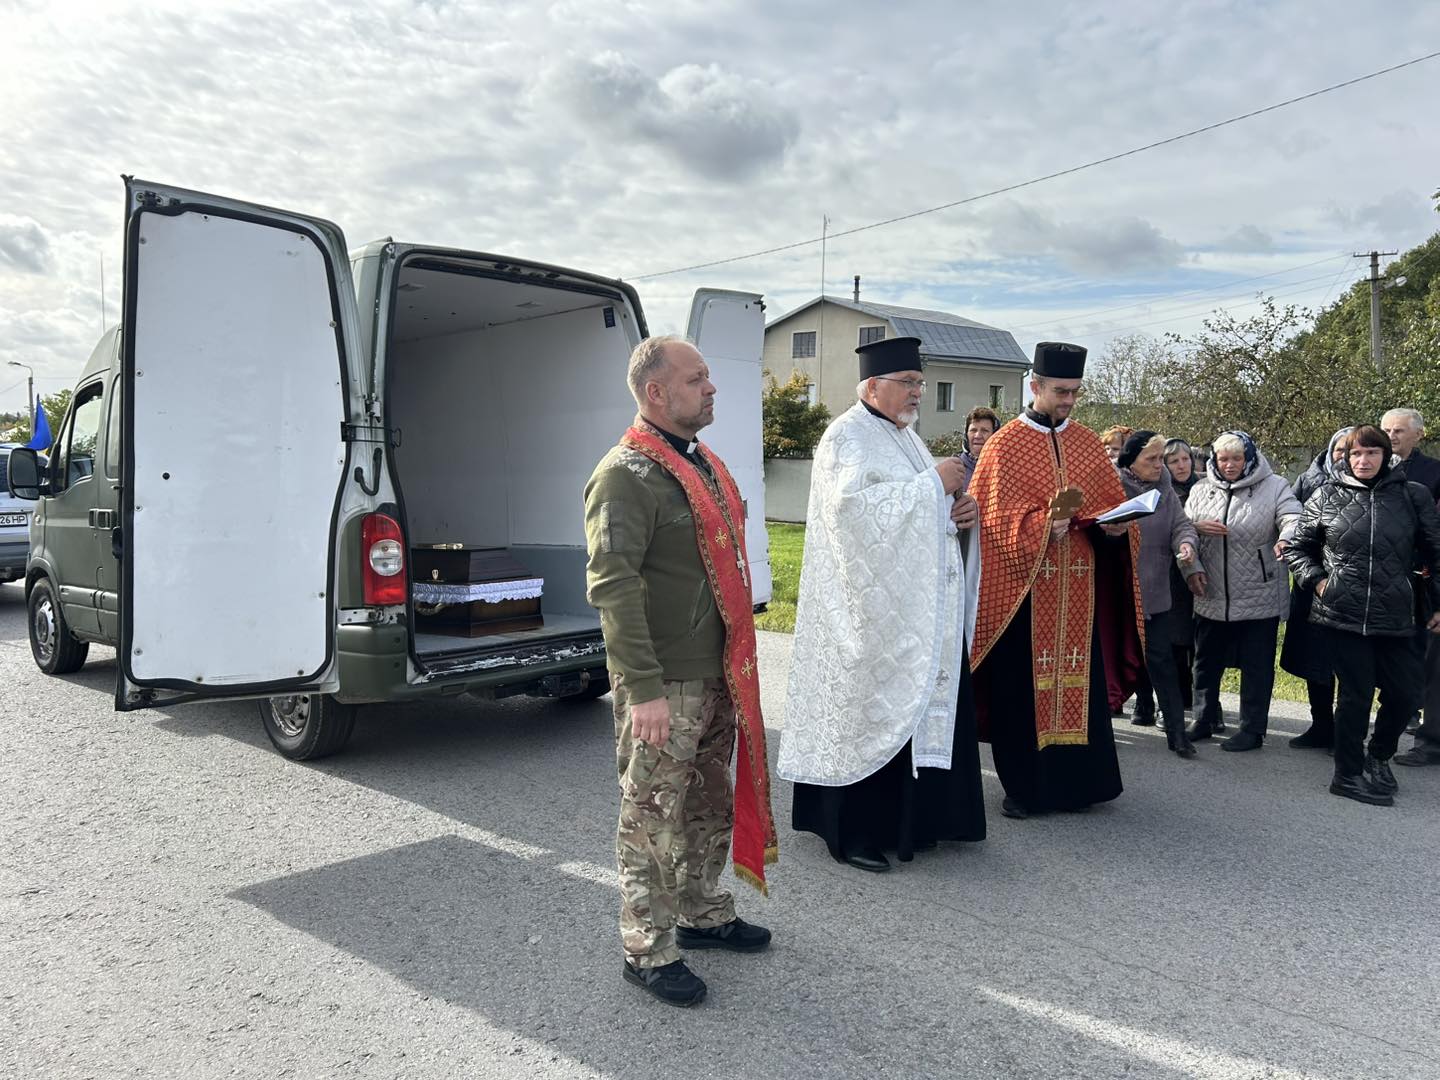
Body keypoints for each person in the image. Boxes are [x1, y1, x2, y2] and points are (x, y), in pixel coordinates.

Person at [583, 335, 776, 1007]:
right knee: (651, 814)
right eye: (697, 379)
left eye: (710, 376)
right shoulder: (625, 474)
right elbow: (613, 585)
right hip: (667, 682)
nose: (712, 388)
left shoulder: (701, 463)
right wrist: (641, 690)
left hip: (719, 674)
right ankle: (646, 947)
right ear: (655, 393)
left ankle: (701, 913)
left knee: (705, 802)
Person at [779, 336, 986, 872]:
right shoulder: (845, 435)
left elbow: (918, 509)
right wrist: (929, 489)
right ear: (873, 386)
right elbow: (850, 516)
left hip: (913, 610)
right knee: (866, 713)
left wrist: (952, 510)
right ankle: (852, 833)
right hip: (865, 612)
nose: (919, 392)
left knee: (913, 710)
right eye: (910, 384)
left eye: (920, 383)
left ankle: (914, 821)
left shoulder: (907, 437)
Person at [969, 343, 1145, 819]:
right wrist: (1039, 527)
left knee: (1078, 683)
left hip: (1079, 587)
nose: (1068, 400)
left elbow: (1111, 508)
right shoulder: (1004, 445)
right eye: (1060, 391)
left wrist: (1114, 527)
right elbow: (989, 519)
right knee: (1019, 692)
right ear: (1036, 387)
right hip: (1022, 593)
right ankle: (1025, 789)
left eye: (1075, 392)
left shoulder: (1088, 442)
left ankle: (1080, 784)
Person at [1285, 425, 1440, 805]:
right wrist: (1320, 582)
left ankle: (1379, 756)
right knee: (1354, 697)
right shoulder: (1326, 495)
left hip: (1397, 614)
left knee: (1404, 695)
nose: (1362, 460)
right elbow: (1296, 548)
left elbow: (1436, 553)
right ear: (1344, 457)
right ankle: (1347, 774)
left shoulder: (1412, 495)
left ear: (1386, 456)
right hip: (1341, 614)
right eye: (1355, 454)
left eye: (1371, 453)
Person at [1184, 431, 1302, 751]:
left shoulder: (1275, 485)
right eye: (1224, 459)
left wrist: (1286, 538)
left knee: (1257, 665)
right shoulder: (1201, 488)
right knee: (1206, 663)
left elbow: (1293, 516)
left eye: (1237, 458)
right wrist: (1191, 565)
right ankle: (1204, 719)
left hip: (1258, 591)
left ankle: (1252, 730)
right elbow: (1184, 530)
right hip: (1210, 591)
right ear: (1214, 460)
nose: (1230, 465)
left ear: (1249, 457)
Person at [1117, 431, 1205, 757]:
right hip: (1118, 593)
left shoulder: (1164, 489)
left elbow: (1180, 525)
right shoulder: (1114, 486)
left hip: (1154, 592)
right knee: (1108, 661)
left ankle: (1178, 735)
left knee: (1162, 662)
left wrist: (1186, 544)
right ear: (1131, 461)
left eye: (1160, 458)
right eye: (1151, 459)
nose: (1159, 465)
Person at [1278, 427, 1353, 749]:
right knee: (1315, 658)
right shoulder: (1309, 482)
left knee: (1350, 662)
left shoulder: (1378, 487)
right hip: (1314, 584)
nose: (1346, 457)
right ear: (1330, 451)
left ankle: (1347, 730)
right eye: (1341, 450)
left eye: (1354, 451)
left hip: (1356, 587)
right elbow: (1294, 525)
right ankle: (1321, 724)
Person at [1162, 438, 1200, 708]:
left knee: (1201, 642)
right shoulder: (1161, 491)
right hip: (1171, 575)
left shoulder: (1205, 488)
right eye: (1174, 461)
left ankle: (1203, 701)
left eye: (1185, 459)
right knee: (1175, 639)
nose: (1182, 465)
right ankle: (1176, 698)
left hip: (1201, 572)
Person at [1381, 408, 1440, 499]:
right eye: (1387, 431)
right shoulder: (1367, 465)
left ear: (1418, 435)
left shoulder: (1435, 470)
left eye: (1398, 431)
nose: (1391, 437)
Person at [960, 405, 1001, 490]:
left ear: (995, 435)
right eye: (973, 430)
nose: (978, 436)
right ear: (966, 435)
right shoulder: (955, 471)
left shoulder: (1003, 470)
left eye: (984, 431)